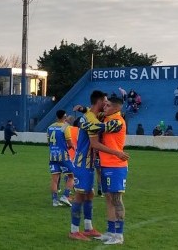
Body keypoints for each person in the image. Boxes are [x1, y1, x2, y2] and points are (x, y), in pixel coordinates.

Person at [69, 91, 108, 241]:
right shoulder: (92, 120)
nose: (106, 104)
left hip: (89, 163)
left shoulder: (92, 115)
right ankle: (73, 231)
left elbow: (91, 114)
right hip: (82, 163)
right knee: (80, 195)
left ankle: (88, 228)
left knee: (89, 194)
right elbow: (96, 139)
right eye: (105, 101)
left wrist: (83, 109)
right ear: (99, 101)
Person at [95, 97, 130, 245]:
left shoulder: (117, 121)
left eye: (108, 105)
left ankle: (119, 235)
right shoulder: (108, 118)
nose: (105, 107)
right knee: (109, 198)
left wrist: (87, 120)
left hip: (116, 165)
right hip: (106, 163)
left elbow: (97, 128)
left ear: (116, 108)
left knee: (116, 199)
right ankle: (110, 232)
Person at [47, 110, 75, 207]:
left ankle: (55, 201)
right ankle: (65, 196)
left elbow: (48, 142)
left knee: (55, 179)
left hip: (52, 155)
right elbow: (70, 143)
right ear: (64, 117)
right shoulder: (65, 127)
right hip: (63, 155)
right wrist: (73, 147)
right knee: (72, 176)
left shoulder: (49, 127)